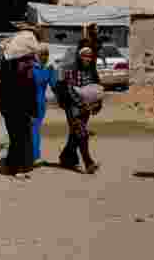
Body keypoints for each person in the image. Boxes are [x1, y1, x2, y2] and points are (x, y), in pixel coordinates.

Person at [0, 50, 38, 179]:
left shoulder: (29, 76)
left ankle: (11, 165)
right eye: (24, 61)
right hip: (11, 112)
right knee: (17, 139)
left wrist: (34, 112)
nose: (26, 64)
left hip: (24, 112)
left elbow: (32, 96)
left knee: (23, 139)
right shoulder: (9, 75)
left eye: (28, 61)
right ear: (17, 62)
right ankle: (17, 168)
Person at [56, 44, 102, 174]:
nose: (88, 59)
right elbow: (70, 90)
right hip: (73, 108)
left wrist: (97, 103)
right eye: (85, 56)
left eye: (90, 57)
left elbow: (96, 88)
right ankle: (89, 162)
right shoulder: (71, 70)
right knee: (81, 133)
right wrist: (81, 104)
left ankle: (66, 157)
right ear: (79, 57)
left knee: (75, 135)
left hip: (87, 108)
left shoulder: (91, 71)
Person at [31, 45, 58, 164]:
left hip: (32, 103)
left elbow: (55, 87)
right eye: (43, 54)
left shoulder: (31, 68)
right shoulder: (48, 69)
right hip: (40, 103)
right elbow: (55, 87)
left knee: (31, 129)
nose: (45, 57)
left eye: (45, 54)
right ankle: (35, 155)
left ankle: (34, 155)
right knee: (35, 129)